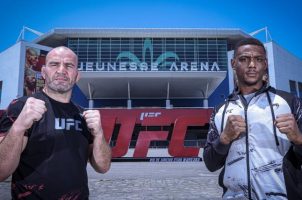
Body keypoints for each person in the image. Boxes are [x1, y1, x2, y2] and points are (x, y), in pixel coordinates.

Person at [0, 46, 112, 199]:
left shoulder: (83, 115)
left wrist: (99, 133)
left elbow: (103, 167)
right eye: (54, 64)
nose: (61, 70)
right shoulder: (21, 107)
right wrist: (19, 126)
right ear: (44, 72)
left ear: (77, 75)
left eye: (69, 65)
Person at [203, 38, 302, 200]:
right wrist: (225, 138)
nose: (252, 65)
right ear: (233, 63)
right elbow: (210, 164)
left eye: (258, 59)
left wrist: (298, 138)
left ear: (266, 64)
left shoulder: (290, 102)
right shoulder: (221, 110)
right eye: (244, 59)